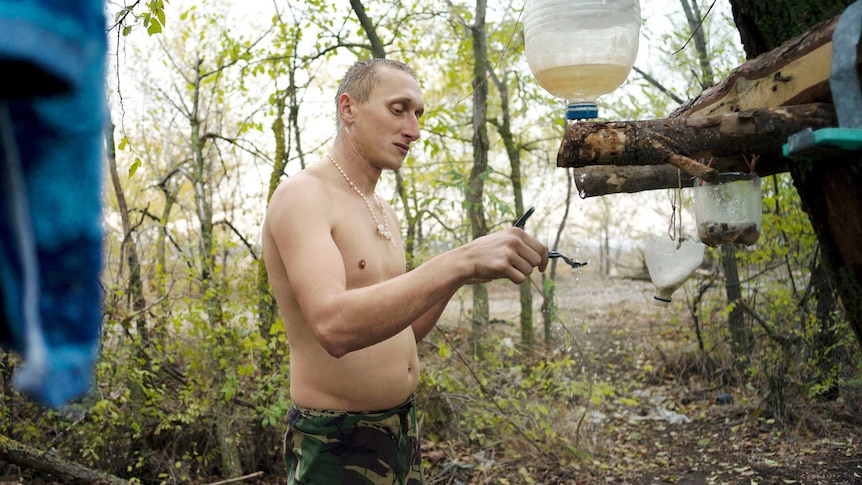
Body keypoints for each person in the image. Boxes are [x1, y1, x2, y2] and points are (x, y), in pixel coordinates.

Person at [262, 58, 548, 484]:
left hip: (401, 428)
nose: (413, 130)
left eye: (418, 114)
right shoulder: (304, 195)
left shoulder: (383, 210)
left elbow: (403, 329)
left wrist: (458, 276)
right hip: (336, 441)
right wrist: (459, 258)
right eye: (399, 110)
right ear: (348, 109)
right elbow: (333, 326)